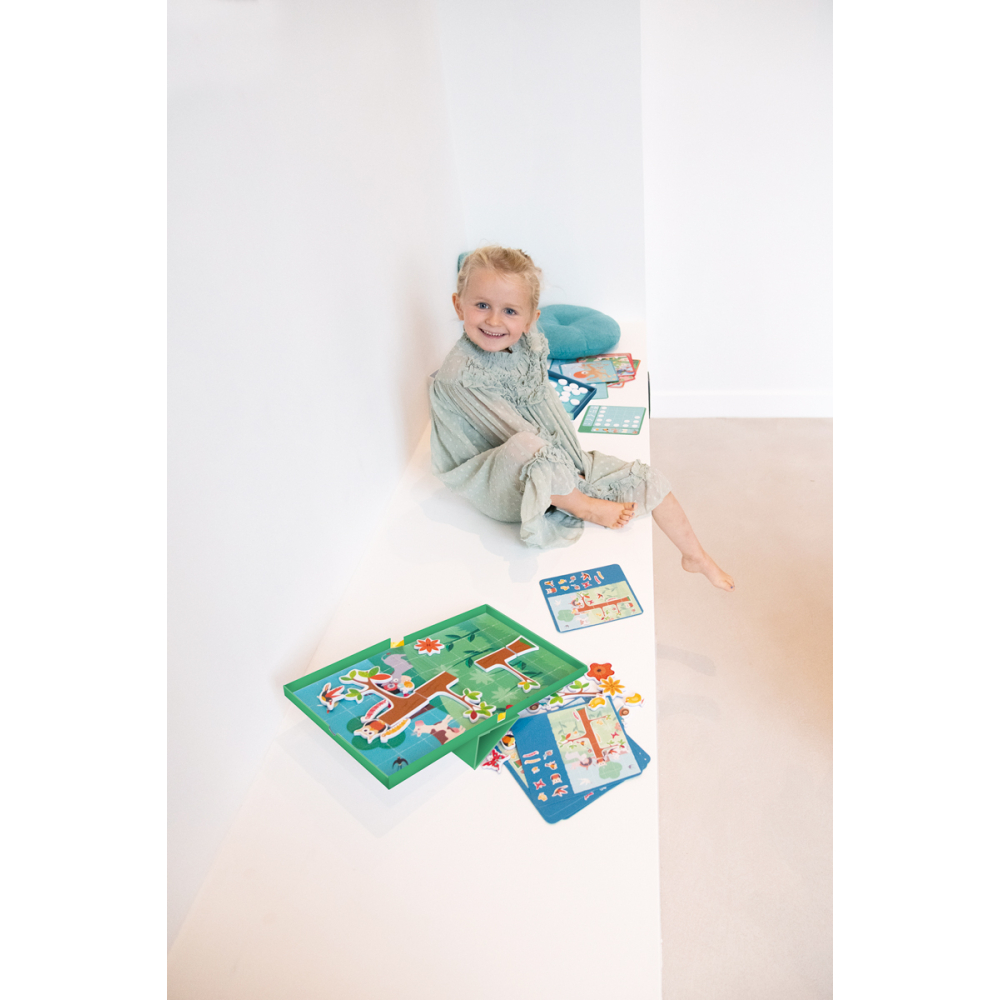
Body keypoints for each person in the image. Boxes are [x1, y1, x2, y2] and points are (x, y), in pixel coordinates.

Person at [429, 245, 734, 590]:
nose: (494, 321)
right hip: (497, 480)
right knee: (527, 445)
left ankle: (696, 556)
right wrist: (575, 480)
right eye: (482, 305)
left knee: (645, 478)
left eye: (510, 311)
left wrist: (578, 464)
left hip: (544, 455)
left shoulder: (527, 342)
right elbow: (512, 435)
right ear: (459, 305)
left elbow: (545, 403)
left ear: (530, 320)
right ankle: (584, 506)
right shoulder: (461, 376)